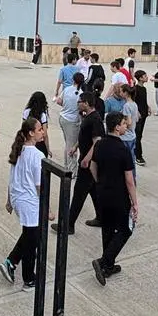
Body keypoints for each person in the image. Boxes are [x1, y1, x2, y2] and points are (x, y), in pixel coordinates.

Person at [0, 118, 48, 291]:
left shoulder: (19, 150)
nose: (43, 132)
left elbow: (12, 177)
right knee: (31, 242)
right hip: (29, 203)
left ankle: (11, 262)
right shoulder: (38, 155)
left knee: (29, 235)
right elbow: (39, 186)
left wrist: (9, 200)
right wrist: (47, 208)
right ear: (31, 133)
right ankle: (28, 279)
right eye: (40, 129)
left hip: (18, 199)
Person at [91, 112, 138, 286]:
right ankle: (104, 261)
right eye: (124, 124)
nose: (126, 126)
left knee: (108, 229)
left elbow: (93, 166)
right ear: (117, 127)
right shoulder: (123, 150)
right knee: (126, 229)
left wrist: (99, 183)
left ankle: (108, 266)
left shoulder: (100, 144)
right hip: (119, 196)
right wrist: (135, 202)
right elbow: (129, 180)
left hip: (102, 193)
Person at [54, 92, 103, 236]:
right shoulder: (87, 117)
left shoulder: (95, 119)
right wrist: (75, 146)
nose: (77, 104)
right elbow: (84, 136)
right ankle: (101, 217)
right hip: (86, 160)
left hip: (88, 163)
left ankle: (68, 225)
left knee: (79, 193)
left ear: (86, 103)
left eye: (79, 102)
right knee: (93, 190)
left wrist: (87, 159)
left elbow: (97, 141)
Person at [58, 71, 86, 168]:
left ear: (73, 80)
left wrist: (67, 106)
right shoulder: (81, 94)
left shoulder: (67, 89)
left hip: (63, 117)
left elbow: (59, 101)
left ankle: (66, 165)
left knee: (68, 144)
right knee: (72, 146)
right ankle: (71, 169)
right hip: (72, 121)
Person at [132, 70, 151, 166]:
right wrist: (137, 112)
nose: (146, 77)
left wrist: (148, 107)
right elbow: (133, 101)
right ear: (140, 78)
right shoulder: (135, 89)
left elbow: (144, 100)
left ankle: (136, 153)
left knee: (140, 135)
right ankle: (138, 156)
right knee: (137, 135)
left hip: (144, 114)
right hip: (138, 116)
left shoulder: (144, 89)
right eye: (145, 76)